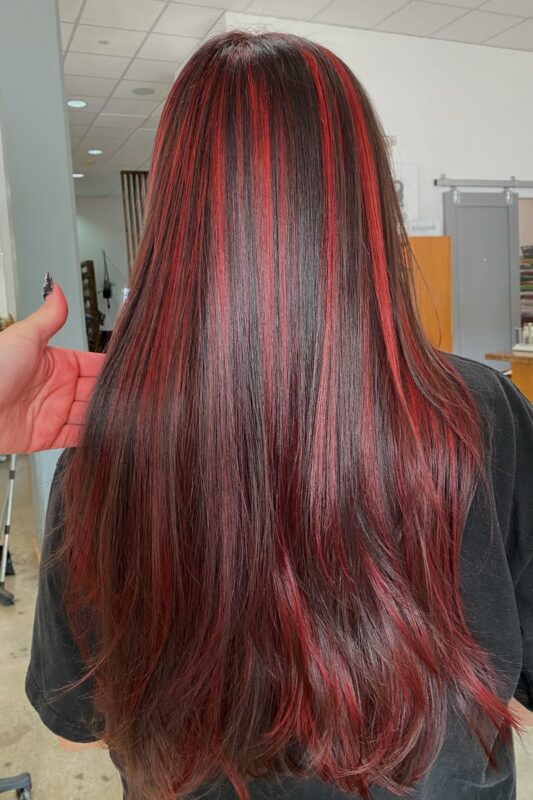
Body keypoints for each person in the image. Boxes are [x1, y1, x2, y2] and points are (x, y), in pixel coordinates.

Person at [0, 31, 532, 800]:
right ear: (364, 202)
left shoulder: (117, 439)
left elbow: (72, 718)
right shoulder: (480, 413)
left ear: (175, 217)